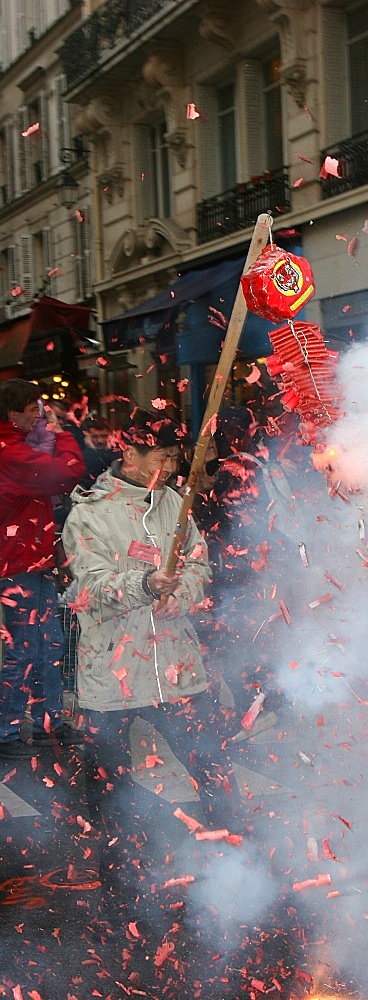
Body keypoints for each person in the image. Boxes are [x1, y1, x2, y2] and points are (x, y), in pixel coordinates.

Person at [60, 409, 227, 897]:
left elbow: (199, 564)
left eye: (175, 455)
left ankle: (234, 860)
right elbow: (89, 586)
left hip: (176, 668)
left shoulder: (177, 502)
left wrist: (184, 592)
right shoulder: (89, 512)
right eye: (162, 455)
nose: (172, 465)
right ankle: (120, 881)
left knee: (212, 763)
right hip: (113, 674)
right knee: (106, 783)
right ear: (128, 454)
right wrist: (143, 583)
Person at [0, 378, 85, 758]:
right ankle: (7, 729)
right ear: (12, 413)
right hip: (16, 565)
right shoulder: (9, 452)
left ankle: (47, 719)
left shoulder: (16, 446)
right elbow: (67, 472)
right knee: (25, 648)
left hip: (31, 562)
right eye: (32, 408)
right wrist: (63, 435)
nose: (38, 415)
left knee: (48, 640)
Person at [79, 413, 119, 488]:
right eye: (95, 436)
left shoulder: (116, 451)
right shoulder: (81, 455)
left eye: (104, 436)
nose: (100, 440)